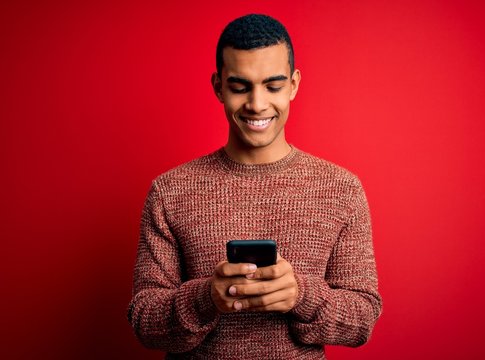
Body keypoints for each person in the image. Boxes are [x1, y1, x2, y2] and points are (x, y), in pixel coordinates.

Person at [128, 13, 382, 359]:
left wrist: (301, 296)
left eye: (273, 86)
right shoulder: (170, 191)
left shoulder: (341, 189)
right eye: (240, 86)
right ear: (218, 86)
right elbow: (144, 319)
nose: (257, 104)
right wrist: (206, 298)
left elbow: (363, 317)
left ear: (293, 84)